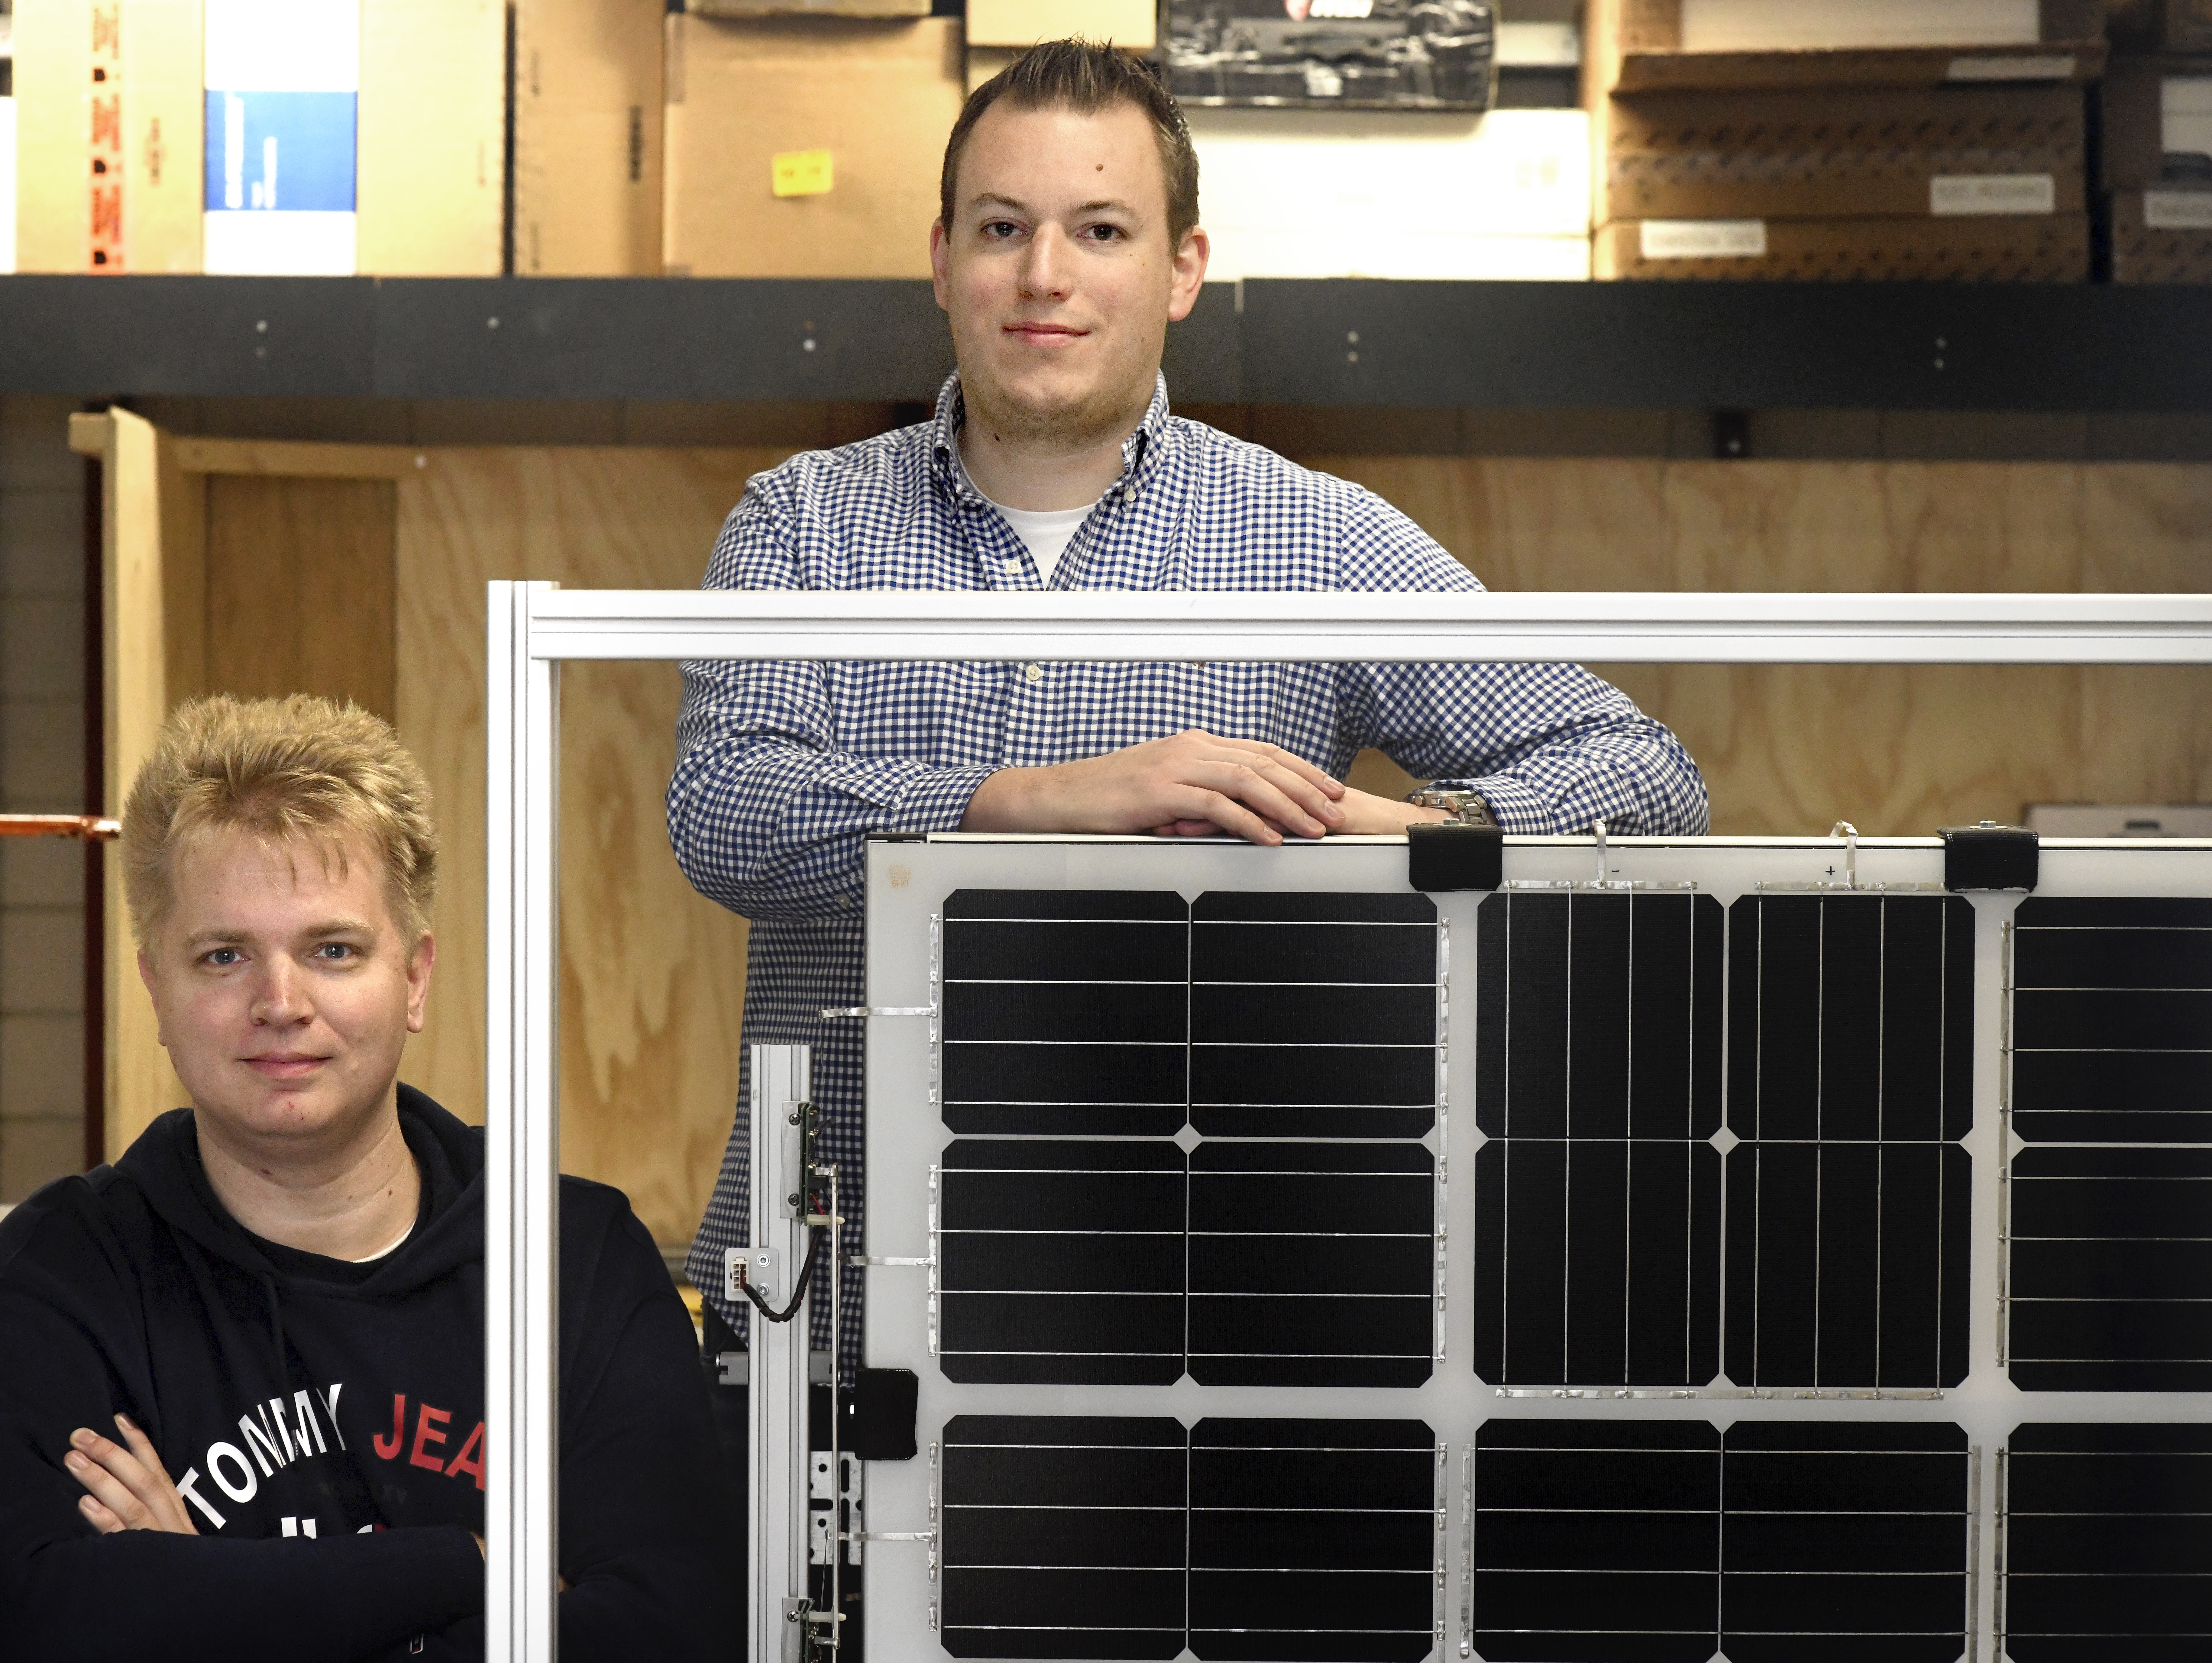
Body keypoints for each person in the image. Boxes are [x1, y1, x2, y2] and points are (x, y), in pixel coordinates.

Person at [668, 40, 1711, 1376]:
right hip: (830, 1336)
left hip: (1200, 1339)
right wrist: (1025, 806)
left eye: (1101, 230)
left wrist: (1398, 832)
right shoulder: (801, 524)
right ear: (943, 259)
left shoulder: (1319, 541)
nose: (1045, 275)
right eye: (1003, 228)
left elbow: (1647, 774)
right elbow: (726, 814)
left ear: (1183, 268)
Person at [0, 694, 733, 1663]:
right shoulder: (66, 1275)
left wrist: (208, 1593)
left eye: (334, 951)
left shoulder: (573, 1260)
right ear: (156, 989)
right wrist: (476, 1566)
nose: (281, 1002)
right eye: (224, 956)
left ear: (416, 979)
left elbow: (666, 1635)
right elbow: (48, 1628)